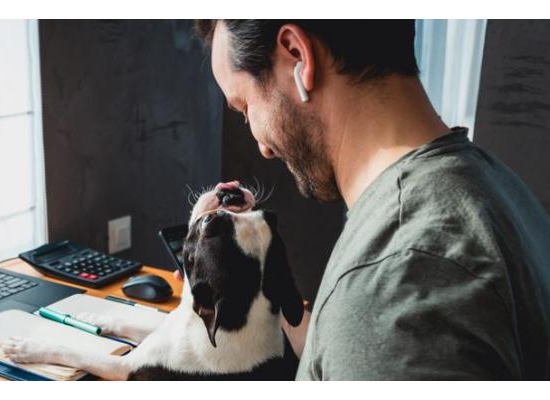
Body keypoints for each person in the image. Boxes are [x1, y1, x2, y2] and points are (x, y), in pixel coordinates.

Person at [183, 19, 550, 380]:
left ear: (298, 56)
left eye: (246, 107)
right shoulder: (492, 184)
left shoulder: (394, 280)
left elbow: (378, 326)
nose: (262, 146)